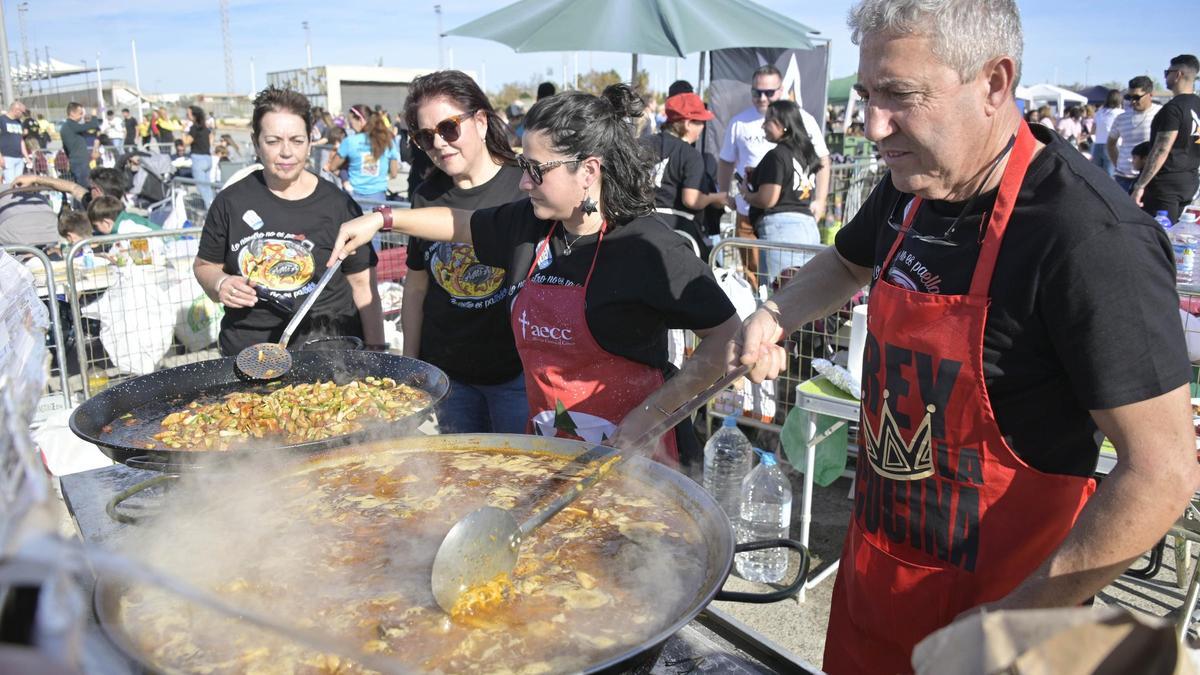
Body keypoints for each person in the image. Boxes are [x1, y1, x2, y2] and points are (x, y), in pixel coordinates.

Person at [729, 1, 1200, 672]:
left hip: (1001, 633)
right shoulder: (911, 182)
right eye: (866, 95)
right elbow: (844, 259)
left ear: (995, 83)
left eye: (900, 95)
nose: (872, 125)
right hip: (874, 588)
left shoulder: (1087, 237)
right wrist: (776, 314)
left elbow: (1163, 470)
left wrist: (1022, 616)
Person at [330, 84, 740, 469]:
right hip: (550, 446)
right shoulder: (530, 225)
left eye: (535, 169)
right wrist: (382, 219)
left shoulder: (649, 247)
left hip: (639, 455)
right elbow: (459, 223)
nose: (523, 182)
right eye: (522, 165)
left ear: (588, 171)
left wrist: (653, 412)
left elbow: (727, 337)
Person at [193, 86, 384, 355]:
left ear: (310, 141)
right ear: (256, 142)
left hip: (332, 353)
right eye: (273, 141)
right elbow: (205, 265)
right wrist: (220, 283)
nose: (286, 152)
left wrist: (377, 351)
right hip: (250, 352)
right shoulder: (231, 202)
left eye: (296, 140)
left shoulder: (338, 205)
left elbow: (363, 285)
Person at [401, 70, 529, 434]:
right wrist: (412, 365)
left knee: (519, 477)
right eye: (426, 136)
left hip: (515, 375)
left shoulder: (524, 185)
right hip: (450, 378)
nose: (439, 143)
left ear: (482, 122)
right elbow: (415, 287)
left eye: (449, 128)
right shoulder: (426, 196)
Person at [719, 65, 830, 278]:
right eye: (756, 92)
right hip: (750, 213)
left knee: (778, 285)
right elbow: (726, 161)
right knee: (756, 276)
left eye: (768, 92)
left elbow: (821, 160)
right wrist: (726, 194)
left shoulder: (802, 120)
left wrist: (821, 200)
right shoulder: (738, 122)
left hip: (780, 216)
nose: (762, 97)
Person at [741, 99, 823, 283]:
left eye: (768, 120)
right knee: (805, 293)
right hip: (808, 228)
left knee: (777, 297)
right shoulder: (807, 154)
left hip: (781, 231)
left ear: (783, 124)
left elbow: (768, 199)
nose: (763, 125)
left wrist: (746, 194)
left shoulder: (777, 155)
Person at [642, 91, 727, 259]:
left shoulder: (642, 144)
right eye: (701, 122)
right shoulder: (690, 154)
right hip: (677, 231)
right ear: (688, 124)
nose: (702, 127)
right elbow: (691, 199)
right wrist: (716, 198)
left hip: (641, 226)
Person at [1132, 54, 1200, 223]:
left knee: (1157, 238)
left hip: (1165, 186)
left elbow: (1161, 149)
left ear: (1177, 74)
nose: (1165, 76)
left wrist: (1140, 185)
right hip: (1189, 182)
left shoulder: (1173, 109)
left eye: (1167, 72)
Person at [327, 104, 399, 202]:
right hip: (378, 197)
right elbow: (394, 173)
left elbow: (332, 167)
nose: (349, 124)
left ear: (360, 121)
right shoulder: (387, 141)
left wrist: (345, 177)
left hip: (353, 195)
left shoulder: (349, 141)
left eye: (350, 120)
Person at [1106, 75, 1160, 193]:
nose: (1132, 101)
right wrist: (1118, 164)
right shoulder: (1121, 118)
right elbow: (1110, 144)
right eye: (1129, 97)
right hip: (1123, 178)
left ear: (1150, 94)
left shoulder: (1160, 113)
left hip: (1149, 178)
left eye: (1136, 97)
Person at [60, 103, 101, 187]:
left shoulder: (68, 126)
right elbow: (93, 125)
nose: (82, 116)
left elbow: (65, 147)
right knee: (83, 189)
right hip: (80, 163)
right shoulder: (70, 125)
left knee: (80, 188)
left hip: (78, 162)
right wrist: (94, 115)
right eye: (80, 113)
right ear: (72, 113)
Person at [185, 105, 215, 207]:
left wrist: (183, 131)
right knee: (207, 187)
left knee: (202, 187)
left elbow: (186, 142)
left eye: (188, 114)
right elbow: (211, 135)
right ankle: (212, 206)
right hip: (207, 157)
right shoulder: (205, 127)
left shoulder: (194, 128)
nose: (186, 116)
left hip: (198, 159)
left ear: (194, 116)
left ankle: (209, 210)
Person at [1090, 89, 1121, 176]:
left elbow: (1092, 130)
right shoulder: (1120, 113)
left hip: (1098, 144)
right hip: (1113, 144)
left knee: (1096, 174)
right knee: (1110, 174)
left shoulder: (1099, 112)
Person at [0, 101, 29, 183]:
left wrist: (26, 157)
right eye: (22, 112)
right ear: (16, 110)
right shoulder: (2, 120)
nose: (23, 115)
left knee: (19, 183)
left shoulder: (19, 122)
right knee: (11, 184)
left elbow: (21, 140)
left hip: (19, 158)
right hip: (7, 157)